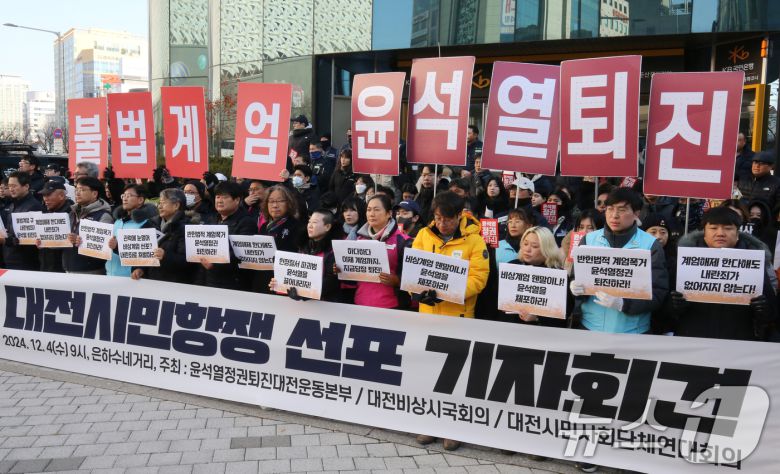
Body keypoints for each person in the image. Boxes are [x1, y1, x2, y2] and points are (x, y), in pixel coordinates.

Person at [569, 188, 669, 334]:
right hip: (590, 327)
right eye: (610, 209)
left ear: (636, 213)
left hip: (633, 331)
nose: (614, 216)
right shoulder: (589, 240)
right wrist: (574, 287)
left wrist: (624, 304)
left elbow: (658, 293)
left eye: (622, 210)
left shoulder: (650, 245)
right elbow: (575, 277)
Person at [671, 207, 777, 340]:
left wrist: (763, 308)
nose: (720, 233)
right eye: (713, 228)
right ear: (704, 232)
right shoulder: (685, 261)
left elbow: (772, 314)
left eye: (728, 228)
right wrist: (674, 305)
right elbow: (664, 312)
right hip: (692, 339)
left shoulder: (753, 263)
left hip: (738, 341)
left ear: (737, 233)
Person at [411, 191, 489, 318]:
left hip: (458, 316)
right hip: (427, 314)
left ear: (459, 215)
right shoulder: (424, 234)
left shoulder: (475, 241)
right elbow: (412, 270)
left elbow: (478, 278)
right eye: (438, 218)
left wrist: (448, 292)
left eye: (448, 220)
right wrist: (414, 291)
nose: (442, 224)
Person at [499, 226, 568, 328]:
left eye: (534, 246)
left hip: (543, 333)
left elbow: (563, 314)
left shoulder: (558, 275)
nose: (527, 249)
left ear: (547, 249)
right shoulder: (511, 266)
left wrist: (538, 318)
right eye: (525, 244)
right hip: (510, 329)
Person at [350, 194, 409, 309]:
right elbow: (352, 278)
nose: (372, 214)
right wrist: (341, 269)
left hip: (391, 306)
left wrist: (398, 280)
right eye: (369, 210)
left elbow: (413, 278)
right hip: (360, 303)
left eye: (376, 210)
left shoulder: (403, 241)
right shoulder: (358, 240)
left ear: (389, 213)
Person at [270, 209, 339, 302]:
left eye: (314, 222)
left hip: (326, 306)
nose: (310, 225)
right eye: (309, 222)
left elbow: (331, 283)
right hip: (304, 307)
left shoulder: (333, 251)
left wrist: (303, 293)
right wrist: (279, 282)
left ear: (327, 227)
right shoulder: (303, 248)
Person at [198, 181, 257, 290]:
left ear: (237, 200)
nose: (219, 201)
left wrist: (215, 264)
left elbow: (242, 254)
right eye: (217, 197)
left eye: (224, 197)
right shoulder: (212, 219)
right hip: (209, 281)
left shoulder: (246, 222)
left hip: (233, 284)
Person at [131, 188, 194, 284]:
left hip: (175, 285)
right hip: (151, 282)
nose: (159, 206)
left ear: (176, 205)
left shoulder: (187, 228)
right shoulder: (151, 224)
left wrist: (166, 256)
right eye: (159, 203)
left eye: (163, 203)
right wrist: (139, 268)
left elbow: (189, 262)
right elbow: (142, 251)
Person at [255, 185, 303, 293]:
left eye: (280, 201)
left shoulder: (297, 226)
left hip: (282, 283)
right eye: (271, 201)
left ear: (288, 203)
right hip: (262, 280)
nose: (275, 205)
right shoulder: (264, 227)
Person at [64, 177, 114, 274]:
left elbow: (104, 246)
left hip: (91, 270)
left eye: (82, 190)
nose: (77, 193)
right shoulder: (72, 213)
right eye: (76, 189)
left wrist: (81, 240)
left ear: (94, 194)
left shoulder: (103, 215)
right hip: (69, 268)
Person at [106, 184, 158, 277]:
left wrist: (117, 247)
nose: (125, 199)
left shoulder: (147, 224)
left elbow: (147, 255)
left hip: (131, 278)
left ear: (140, 200)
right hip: (110, 274)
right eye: (123, 195)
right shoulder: (118, 220)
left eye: (129, 196)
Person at [2, 171, 43, 270]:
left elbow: (30, 238)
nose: (11, 189)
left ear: (26, 186)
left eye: (14, 186)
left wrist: (5, 240)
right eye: (9, 186)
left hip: (25, 262)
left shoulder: (34, 206)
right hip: (10, 258)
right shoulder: (13, 204)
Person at [37, 180, 73, 272]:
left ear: (61, 196)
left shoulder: (73, 214)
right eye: (44, 195)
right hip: (46, 265)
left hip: (64, 268)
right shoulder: (44, 213)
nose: (45, 199)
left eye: (48, 195)